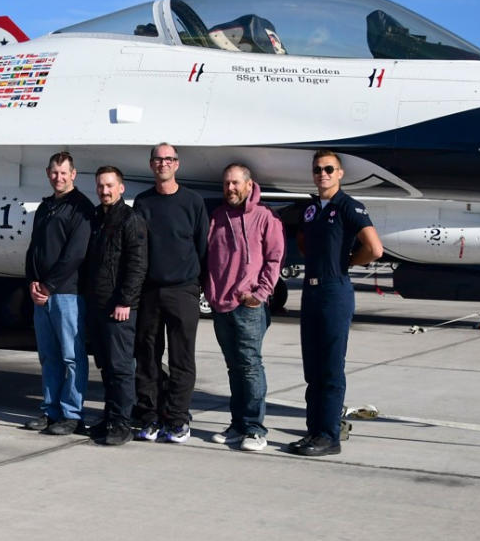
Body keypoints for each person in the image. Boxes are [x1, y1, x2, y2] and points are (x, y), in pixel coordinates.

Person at [292, 150, 383, 456]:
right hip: (311, 289)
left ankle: (329, 436)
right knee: (313, 369)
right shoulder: (310, 209)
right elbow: (305, 244)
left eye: (329, 169)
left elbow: (375, 248)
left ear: (340, 173)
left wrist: (347, 264)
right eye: (318, 170)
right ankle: (313, 431)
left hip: (334, 290)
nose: (323, 174)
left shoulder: (349, 207)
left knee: (330, 368)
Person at [204, 163, 285, 452]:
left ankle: (254, 428)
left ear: (249, 185)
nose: (231, 189)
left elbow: (275, 259)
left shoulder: (265, 217)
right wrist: (211, 292)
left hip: (248, 307)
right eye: (227, 184)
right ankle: (237, 424)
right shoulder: (218, 217)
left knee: (250, 367)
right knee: (234, 368)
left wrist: (260, 293)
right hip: (220, 306)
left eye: (236, 183)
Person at [132, 142, 208, 444]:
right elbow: (136, 249)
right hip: (150, 292)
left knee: (181, 359)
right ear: (152, 165)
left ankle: (177, 419)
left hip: (183, 291)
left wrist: (198, 286)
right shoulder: (143, 203)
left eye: (169, 159)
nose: (163, 164)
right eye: (158, 159)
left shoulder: (192, 201)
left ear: (177, 164)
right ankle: (149, 417)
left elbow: (203, 246)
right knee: (148, 358)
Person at [24, 151, 94, 435]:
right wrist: (32, 281)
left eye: (64, 172)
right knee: (48, 356)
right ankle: (50, 410)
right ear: (47, 173)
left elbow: (75, 255)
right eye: (54, 172)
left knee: (71, 357)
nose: (59, 177)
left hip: (67, 294)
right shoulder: (45, 208)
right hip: (41, 295)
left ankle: (72, 413)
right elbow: (33, 250)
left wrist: (48, 286)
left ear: (73, 174)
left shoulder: (81, 209)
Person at [80, 166, 148, 446]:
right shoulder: (96, 217)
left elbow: (137, 264)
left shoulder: (130, 219)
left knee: (121, 367)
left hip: (118, 306)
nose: (104, 191)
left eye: (109, 186)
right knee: (106, 366)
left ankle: (122, 422)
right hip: (96, 304)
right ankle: (109, 417)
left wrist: (125, 301)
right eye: (100, 186)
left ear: (121, 188)